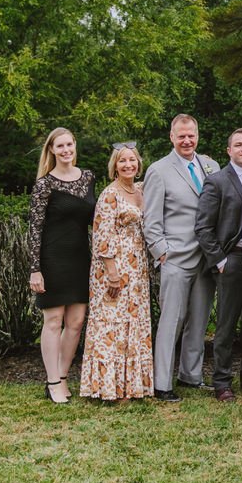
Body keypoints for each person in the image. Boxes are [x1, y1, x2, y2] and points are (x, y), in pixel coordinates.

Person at [143, 113, 221, 402]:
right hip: (175, 256)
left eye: (191, 135)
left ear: (197, 136)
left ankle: (191, 375)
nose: (187, 140)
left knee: (200, 319)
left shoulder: (211, 166)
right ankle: (162, 383)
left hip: (207, 255)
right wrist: (161, 251)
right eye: (181, 136)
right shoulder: (159, 170)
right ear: (172, 137)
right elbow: (150, 218)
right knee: (172, 320)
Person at [194, 128, 242, 402]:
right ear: (229, 151)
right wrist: (220, 261)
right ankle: (222, 382)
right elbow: (203, 226)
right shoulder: (217, 181)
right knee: (225, 325)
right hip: (233, 259)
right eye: (238, 145)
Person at [80, 143, 154, 401]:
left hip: (137, 268)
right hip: (114, 268)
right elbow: (101, 236)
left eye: (132, 160)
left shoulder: (141, 189)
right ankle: (108, 387)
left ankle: (132, 386)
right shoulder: (109, 194)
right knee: (111, 323)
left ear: (138, 163)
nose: (128, 165)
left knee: (134, 322)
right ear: (115, 165)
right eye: (122, 161)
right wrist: (112, 273)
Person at [28, 128, 96, 403]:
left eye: (69, 144)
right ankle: (52, 380)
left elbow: (96, 216)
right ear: (52, 150)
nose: (66, 149)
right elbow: (34, 228)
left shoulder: (88, 177)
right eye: (60, 146)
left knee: (77, 322)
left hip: (81, 258)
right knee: (53, 321)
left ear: (74, 146)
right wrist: (35, 268)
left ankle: (64, 376)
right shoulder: (45, 184)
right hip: (53, 258)